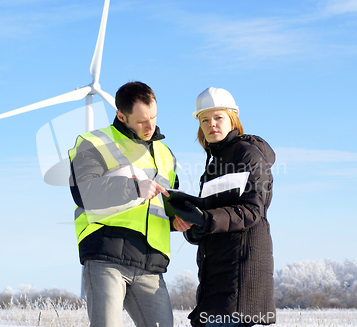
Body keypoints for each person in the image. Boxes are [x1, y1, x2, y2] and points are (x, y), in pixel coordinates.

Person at [68, 81, 191, 327]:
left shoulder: (166, 153)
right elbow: (84, 192)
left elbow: (162, 202)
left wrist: (177, 220)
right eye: (141, 120)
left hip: (151, 263)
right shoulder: (93, 142)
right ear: (121, 116)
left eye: (154, 117)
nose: (150, 126)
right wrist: (134, 187)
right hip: (106, 256)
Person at [169, 87, 276, 327]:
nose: (211, 124)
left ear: (233, 119)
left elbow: (252, 211)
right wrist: (192, 225)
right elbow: (211, 217)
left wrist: (204, 218)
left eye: (218, 117)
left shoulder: (248, 155)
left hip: (239, 272)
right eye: (204, 119)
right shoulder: (213, 164)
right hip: (214, 274)